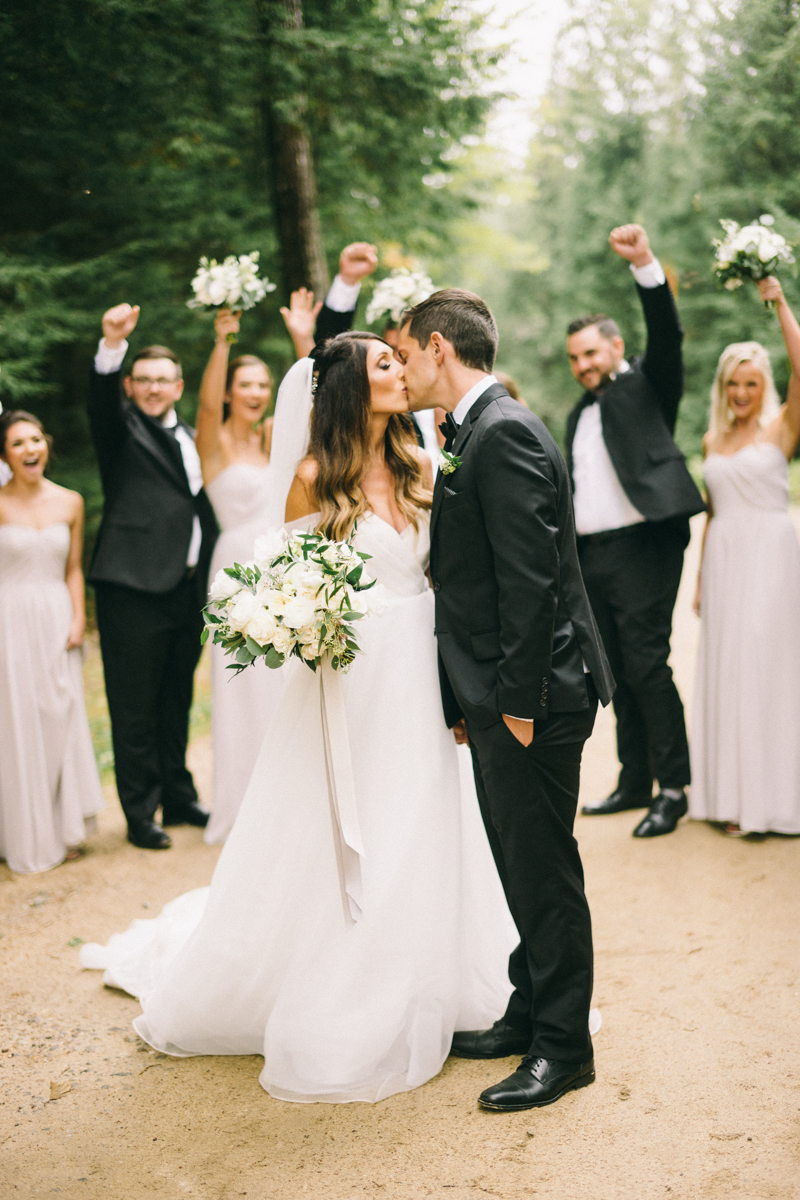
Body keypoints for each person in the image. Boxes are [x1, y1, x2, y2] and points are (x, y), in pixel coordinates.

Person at [80, 332, 520, 1104]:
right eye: (386, 363)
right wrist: (297, 623)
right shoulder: (315, 477)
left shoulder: (424, 461)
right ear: (352, 387)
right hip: (354, 678)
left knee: (426, 814)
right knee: (361, 821)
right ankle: (352, 984)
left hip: (426, 670)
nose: (403, 369)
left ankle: (437, 972)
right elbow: (292, 588)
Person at [397, 290, 614, 1113]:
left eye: (408, 353)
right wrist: (469, 697)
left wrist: (515, 704)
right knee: (522, 863)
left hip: (537, 700)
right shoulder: (475, 433)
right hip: (499, 696)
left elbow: (532, 587)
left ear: (440, 348)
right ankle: (530, 1013)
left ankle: (564, 1049)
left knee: (545, 871)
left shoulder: (505, 433)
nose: (407, 368)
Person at [566, 224, 705, 838]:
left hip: (646, 547)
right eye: (574, 358)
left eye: (590, 353)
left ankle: (672, 788)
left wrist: (645, 264)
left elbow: (668, 334)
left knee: (648, 663)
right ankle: (633, 780)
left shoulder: (649, 384)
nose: (582, 366)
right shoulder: (578, 412)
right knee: (616, 669)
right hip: (593, 555)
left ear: (616, 347)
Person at [87, 304, 218, 850]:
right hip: (132, 588)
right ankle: (140, 812)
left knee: (175, 697)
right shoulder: (121, 430)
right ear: (131, 386)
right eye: (142, 380)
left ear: (179, 385)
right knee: (134, 703)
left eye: (163, 380)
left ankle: (178, 794)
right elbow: (101, 400)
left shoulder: (193, 436)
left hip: (187, 589)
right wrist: (112, 346)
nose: (153, 388)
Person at [690, 276, 800, 836]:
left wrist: (780, 304)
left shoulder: (782, 428)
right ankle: (732, 798)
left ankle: (770, 803)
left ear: (765, 387)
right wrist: (702, 580)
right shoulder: (712, 441)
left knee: (764, 665)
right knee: (729, 668)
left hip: (773, 558)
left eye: (751, 383)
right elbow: (712, 513)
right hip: (727, 561)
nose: (740, 392)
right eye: (733, 383)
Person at [0, 411, 105, 873]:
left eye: (36, 440)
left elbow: (73, 568)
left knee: (58, 715)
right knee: (16, 722)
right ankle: (19, 831)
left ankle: (61, 825)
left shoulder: (71, 502)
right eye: (19, 443)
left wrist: (78, 617)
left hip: (58, 617)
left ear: (47, 444)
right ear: (5, 455)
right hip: (9, 620)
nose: (30, 450)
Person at [195, 310, 280, 844]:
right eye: (245, 384)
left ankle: (282, 794)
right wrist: (223, 339)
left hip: (279, 567)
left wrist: (304, 339)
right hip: (235, 572)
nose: (255, 392)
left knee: (279, 683)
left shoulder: (273, 438)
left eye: (263, 384)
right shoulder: (215, 441)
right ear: (229, 393)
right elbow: (204, 404)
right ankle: (242, 803)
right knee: (241, 685)